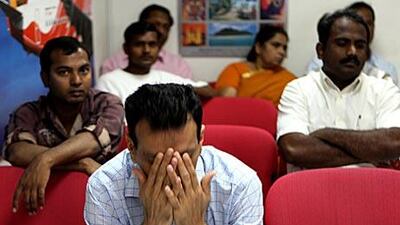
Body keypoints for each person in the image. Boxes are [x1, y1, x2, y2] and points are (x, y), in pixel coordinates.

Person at [84, 83, 263, 225]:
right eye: (156, 160)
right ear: (131, 146)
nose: (172, 170)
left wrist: (195, 223)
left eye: (185, 156)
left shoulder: (240, 183)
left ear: (201, 139)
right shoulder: (104, 187)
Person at [3, 36, 124, 214]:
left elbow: (92, 140)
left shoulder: (107, 104)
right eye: (64, 72)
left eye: (84, 70)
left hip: (104, 207)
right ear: (45, 78)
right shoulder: (28, 112)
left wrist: (46, 159)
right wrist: (82, 163)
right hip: (46, 208)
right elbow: (17, 151)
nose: (76, 80)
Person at [277, 9, 400, 173]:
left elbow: (394, 143)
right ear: (320, 51)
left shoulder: (384, 89)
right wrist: (373, 152)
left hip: (371, 191)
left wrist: (326, 134)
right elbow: (294, 149)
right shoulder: (298, 89)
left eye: (360, 45)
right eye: (342, 43)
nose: (352, 52)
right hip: (311, 192)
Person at [96, 21, 216, 106]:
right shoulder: (109, 81)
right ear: (126, 49)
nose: (147, 50)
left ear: (158, 48)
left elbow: (208, 91)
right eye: (139, 44)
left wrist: (174, 89)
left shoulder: (164, 77)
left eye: (152, 44)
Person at [307, 1, 398, 85]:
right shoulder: (318, 65)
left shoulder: (385, 72)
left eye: (368, 23)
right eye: (342, 43)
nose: (352, 52)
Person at [100, 4, 193, 79]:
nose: (161, 31)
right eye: (155, 24)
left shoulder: (179, 66)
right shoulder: (112, 65)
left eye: (166, 27)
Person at [215, 25, 296, 107]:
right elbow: (227, 101)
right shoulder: (236, 69)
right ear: (258, 47)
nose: (282, 52)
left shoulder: (288, 78)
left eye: (284, 48)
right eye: (276, 45)